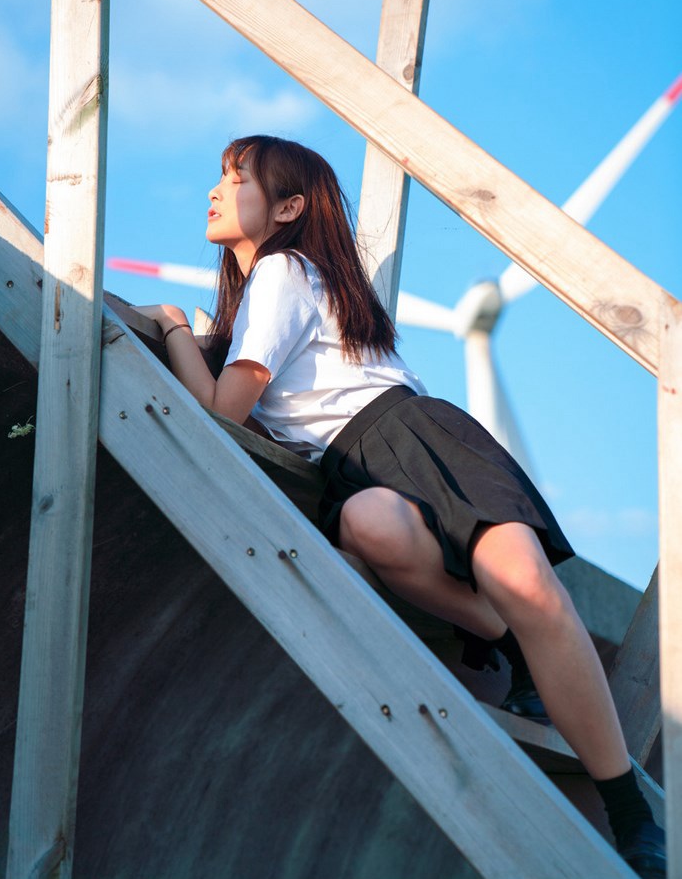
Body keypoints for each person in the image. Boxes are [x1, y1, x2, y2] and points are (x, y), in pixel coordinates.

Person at [136, 135, 665, 878]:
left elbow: (222, 413)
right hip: (356, 465)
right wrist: (205, 336)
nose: (216, 190)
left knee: (535, 592)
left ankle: (629, 809)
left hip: (415, 432)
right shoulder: (264, 297)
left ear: (288, 207)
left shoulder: (286, 271)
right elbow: (246, 410)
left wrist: (173, 332)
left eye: (237, 178)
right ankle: (502, 639)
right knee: (367, 525)